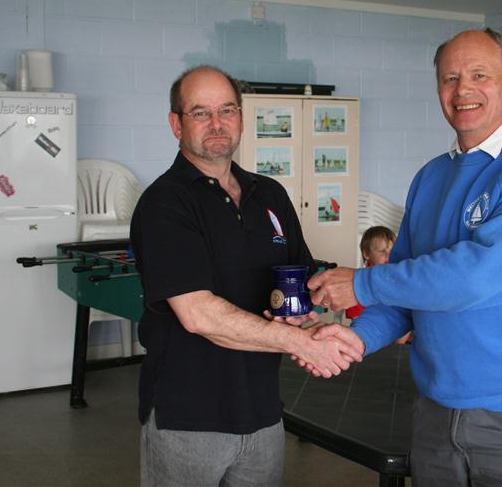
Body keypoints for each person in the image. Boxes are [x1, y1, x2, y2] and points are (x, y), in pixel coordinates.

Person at [306, 29, 502, 486]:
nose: (463, 90)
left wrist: (360, 283)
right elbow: (406, 293)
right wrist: (354, 340)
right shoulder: (431, 177)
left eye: (480, 75)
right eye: (450, 78)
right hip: (437, 411)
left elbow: (478, 277)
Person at [130, 65, 363, 487]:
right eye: (200, 112)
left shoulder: (269, 194)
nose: (217, 123)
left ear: (241, 117)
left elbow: (300, 289)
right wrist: (302, 343)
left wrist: (332, 320)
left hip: (263, 414)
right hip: (188, 418)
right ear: (175, 124)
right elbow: (199, 315)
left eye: (228, 110)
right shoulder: (165, 203)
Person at [344, 225, 395, 320]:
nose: (389, 255)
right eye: (382, 251)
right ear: (366, 254)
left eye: (392, 251)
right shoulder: (359, 283)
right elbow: (357, 319)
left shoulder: (397, 277)